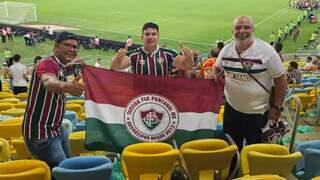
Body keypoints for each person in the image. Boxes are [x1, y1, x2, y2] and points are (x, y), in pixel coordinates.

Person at [212, 16, 287, 150]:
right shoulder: (226, 51)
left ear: (253, 29)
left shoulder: (267, 51)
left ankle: (254, 171)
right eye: (238, 28)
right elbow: (217, 68)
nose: (242, 31)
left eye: (246, 27)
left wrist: (277, 108)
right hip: (231, 111)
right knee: (232, 149)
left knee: (256, 151)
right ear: (232, 31)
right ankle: (234, 171)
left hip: (258, 114)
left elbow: (281, 80)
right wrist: (214, 73)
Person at [23, 31, 85, 169]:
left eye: (75, 47)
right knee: (65, 171)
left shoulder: (59, 65)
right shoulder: (47, 63)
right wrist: (66, 86)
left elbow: (65, 70)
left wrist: (77, 64)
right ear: (55, 46)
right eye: (67, 45)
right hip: (41, 135)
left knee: (68, 166)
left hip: (55, 130)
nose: (72, 49)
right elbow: (48, 81)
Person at [111, 22, 194, 76]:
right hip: (141, 99)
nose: (150, 37)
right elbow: (115, 67)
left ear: (158, 37)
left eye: (153, 34)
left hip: (160, 99)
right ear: (142, 37)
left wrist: (188, 57)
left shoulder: (169, 54)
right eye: (147, 34)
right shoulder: (134, 55)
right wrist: (117, 58)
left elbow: (188, 67)